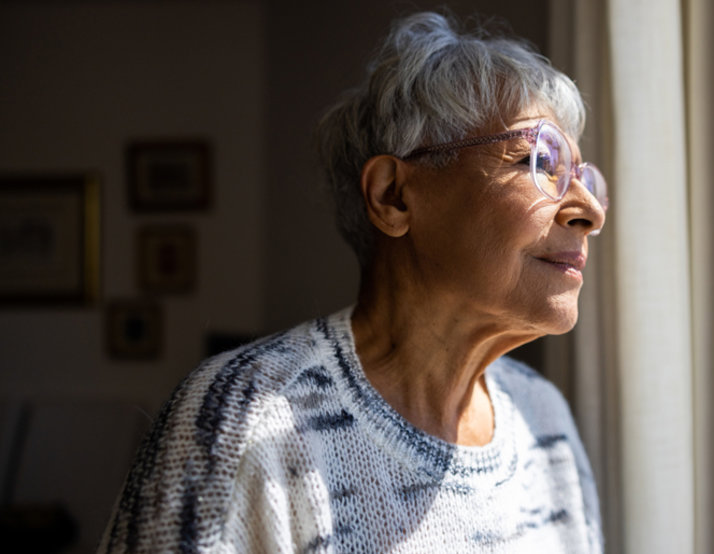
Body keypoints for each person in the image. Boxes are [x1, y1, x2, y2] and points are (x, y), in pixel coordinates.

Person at [98, 11, 607, 553]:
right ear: (393, 196)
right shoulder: (244, 419)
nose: (590, 211)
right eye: (539, 161)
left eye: (583, 177)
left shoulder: (543, 419)